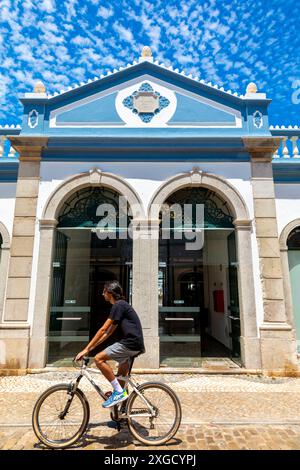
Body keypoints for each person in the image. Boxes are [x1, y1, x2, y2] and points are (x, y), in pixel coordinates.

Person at [75, 280, 145, 408]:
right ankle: (122, 411)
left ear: (110, 293)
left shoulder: (118, 305)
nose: (102, 294)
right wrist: (91, 348)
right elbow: (107, 333)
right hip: (135, 344)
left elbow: (102, 329)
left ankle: (118, 392)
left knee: (98, 358)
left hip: (130, 343)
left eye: (104, 291)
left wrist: (86, 350)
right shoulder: (121, 306)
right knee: (122, 377)